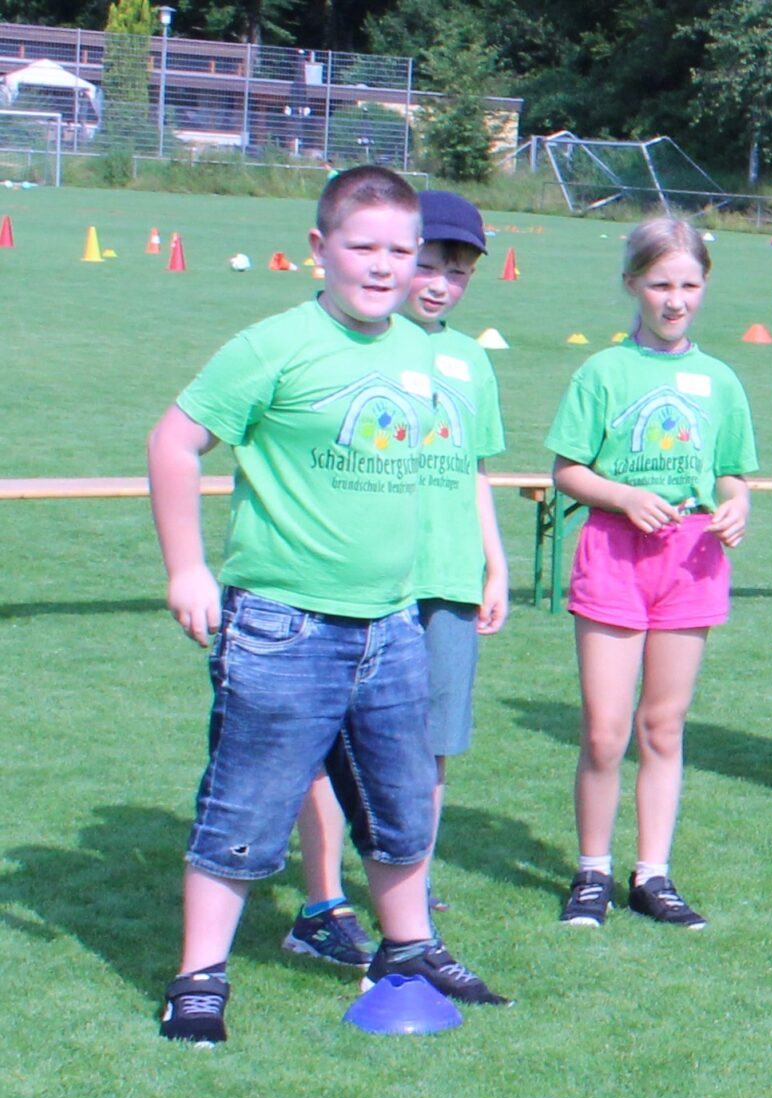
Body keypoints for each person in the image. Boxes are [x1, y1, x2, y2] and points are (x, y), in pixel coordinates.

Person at [145, 164, 508, 1044]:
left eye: (401, 249)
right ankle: (199, 979)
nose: (386, 267)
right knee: (244, 811)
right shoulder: (274, 344)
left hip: (392, 625)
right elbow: (174, 440)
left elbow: (441, 476)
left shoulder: (422, 353)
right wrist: (187, 570)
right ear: (320, 249)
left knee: (401, 806)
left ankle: (408, 947)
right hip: (283, 624)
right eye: (363, 247)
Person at [547, 216, 758, 929]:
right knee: (606, 731)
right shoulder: (602, 372)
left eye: (689, 284)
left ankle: (653, 874)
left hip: (691, 560)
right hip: (613, 554)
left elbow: (731, 474)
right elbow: (567, 470)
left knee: (662, 727)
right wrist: (625, 496)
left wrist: (736, 506)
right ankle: (592, 871)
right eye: (661, 283)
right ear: (633, 283)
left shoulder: (719, 379)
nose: (675, 299)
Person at [401, 189, 509, 914]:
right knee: (339, 742)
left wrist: (494, 563)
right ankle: (324, 896)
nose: (441, 283)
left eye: (458, 271)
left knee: (434, 741)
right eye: (428, 264)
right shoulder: (373, 339)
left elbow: (474, 468)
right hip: (372, 578)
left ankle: (416, 875)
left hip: (450, 574)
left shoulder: (471, 358)